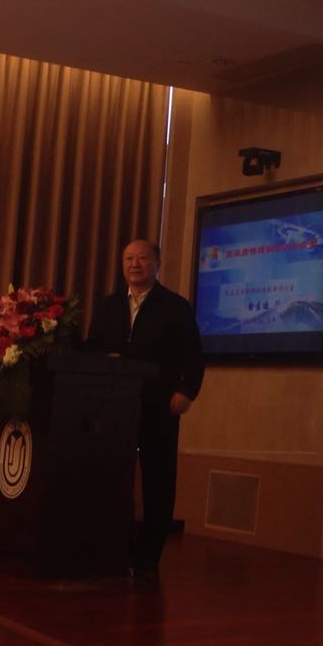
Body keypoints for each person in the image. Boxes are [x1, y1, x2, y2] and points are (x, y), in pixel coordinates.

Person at [87, 238, 203, 578]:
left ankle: (148, 558)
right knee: (111, 477)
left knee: (158, 481)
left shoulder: (175, 307)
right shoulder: (108, 306)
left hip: (158, 405)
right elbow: (92, 348)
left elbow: (193, 356)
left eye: (142, 258)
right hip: (113, 406)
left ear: (157, 264)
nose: (134, 264)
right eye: (128, 258)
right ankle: (113, 548)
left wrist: (186, 392)